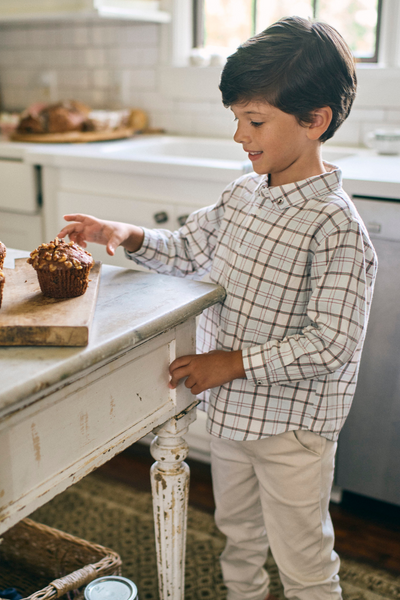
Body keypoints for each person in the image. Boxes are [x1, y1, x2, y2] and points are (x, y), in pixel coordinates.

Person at [58, 16, 377, 600]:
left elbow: (332, 344)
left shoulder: (337, 228)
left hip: (293, 428)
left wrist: (230, 362)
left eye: (254, 121)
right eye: (237, 120)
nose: (240, 136)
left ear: (315, 120)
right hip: (232, 416)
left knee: (303, 558)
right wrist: (124, 234)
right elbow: (186, 251)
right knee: (238, 537)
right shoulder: (242, 194)